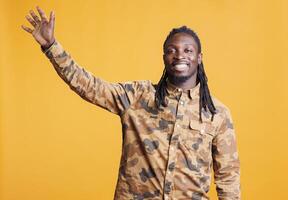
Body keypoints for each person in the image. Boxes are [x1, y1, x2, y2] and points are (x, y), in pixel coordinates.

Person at [22, 6, 241, 200]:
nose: (179, 55)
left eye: (187, 50)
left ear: (199, 57)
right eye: (171, 50)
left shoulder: (217, 113)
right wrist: (52, 46)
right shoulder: (137, 96)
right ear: (164, 57)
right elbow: (90, 86)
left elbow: (228, 178)